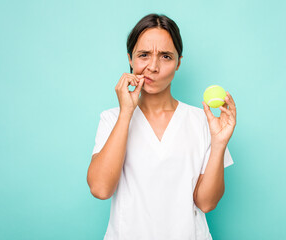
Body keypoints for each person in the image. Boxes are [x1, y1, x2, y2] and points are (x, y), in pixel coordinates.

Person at [87, 13, 237, 240]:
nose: (153, 67)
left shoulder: (202, 122)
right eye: (144, 55)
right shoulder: (112, 119)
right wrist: (126, 113)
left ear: (178, 62)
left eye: (166, 56)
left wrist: (219, 144)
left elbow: (206, 203)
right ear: (130, 59)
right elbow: (100, 189)